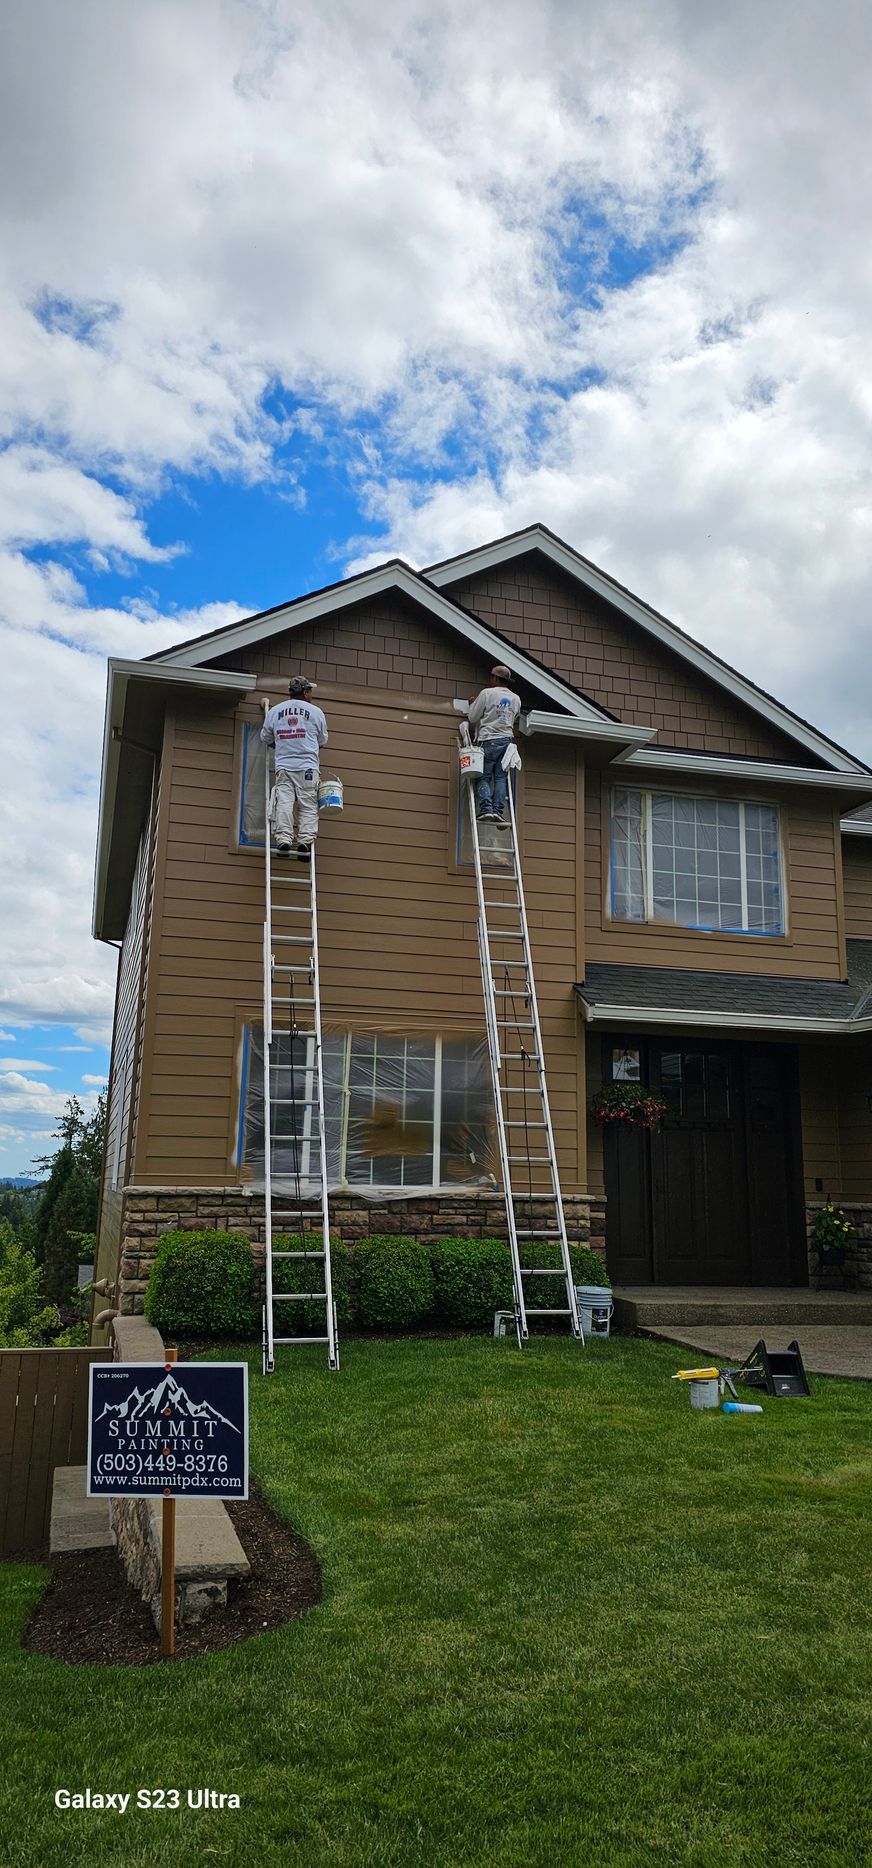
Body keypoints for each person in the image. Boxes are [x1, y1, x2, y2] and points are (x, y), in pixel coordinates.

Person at [260, 676, 328, 859]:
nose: (311, 694)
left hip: (284, 767)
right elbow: (323, 740)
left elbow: (265, 737)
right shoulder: (315, 712)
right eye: (310, 691)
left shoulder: (276, 712)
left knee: (284, 803)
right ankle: (305, 842)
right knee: (307, 806)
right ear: (305, 693)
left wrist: (280, 742)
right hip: (307, 768)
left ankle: (284, 839)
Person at [468, 664, 521, 824]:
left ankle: (486, 809)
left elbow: (472, 717)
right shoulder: (516, 698)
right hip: (506, 741)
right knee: (500, 778)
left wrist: (473, 704)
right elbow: (514, 718)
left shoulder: (487, 693)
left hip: (489, 739)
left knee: (483, 776)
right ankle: (498, 811)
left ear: (495, 678)